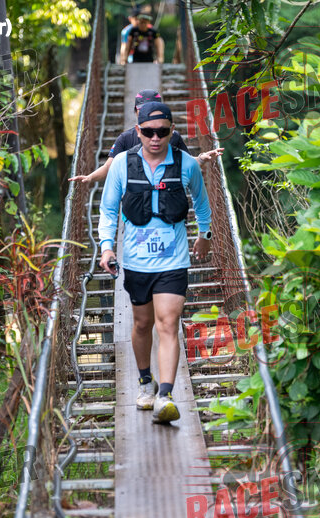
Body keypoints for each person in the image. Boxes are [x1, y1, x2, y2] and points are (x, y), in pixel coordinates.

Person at [97, 102, 213, 423]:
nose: (155, 138)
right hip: (137, 262)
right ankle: (145, 382)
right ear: (138, 132)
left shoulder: (186, 164)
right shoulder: (122, 165)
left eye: (162, 132)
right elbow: (108, 210)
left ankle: (165, 396)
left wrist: (205, 234)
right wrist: (107, 248)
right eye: (148, 132)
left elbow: (202, 203)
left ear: (172, 131)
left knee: (168, 323)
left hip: (173, 261)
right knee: (142, 324)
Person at [69, 90, 224, 185]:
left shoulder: (172, 136)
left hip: (167, 196)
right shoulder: (126, 138)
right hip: (136, 200)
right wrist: (90, 178)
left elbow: (188, 163)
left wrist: (202, 158)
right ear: (135, 111)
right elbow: (109, 167)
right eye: (142, 110)